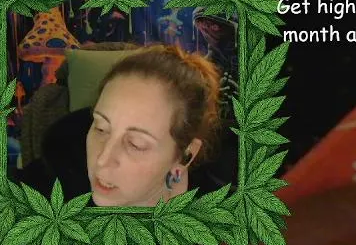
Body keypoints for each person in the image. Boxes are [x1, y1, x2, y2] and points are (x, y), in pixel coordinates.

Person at [16, 43, 232, 206]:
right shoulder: (54, 178)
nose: (102, 159)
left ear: (186, 155)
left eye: (136, 144)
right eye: (101, 128)